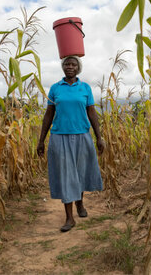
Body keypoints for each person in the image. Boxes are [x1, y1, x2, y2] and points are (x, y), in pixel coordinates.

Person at [37, 56, 105, 232]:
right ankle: (69, 218)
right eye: (67, 64)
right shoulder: (55, 88)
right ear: (63, 67)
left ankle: (80, 204)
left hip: (82, 135)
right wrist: (41, 140)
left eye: (73, 64)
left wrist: (99, 137)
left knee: (80, 174)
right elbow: (48, 114)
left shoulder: (85, 88)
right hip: (60, 136)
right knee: (67, 177)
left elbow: (92, 112)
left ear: (78, 68)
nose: (69, 67)